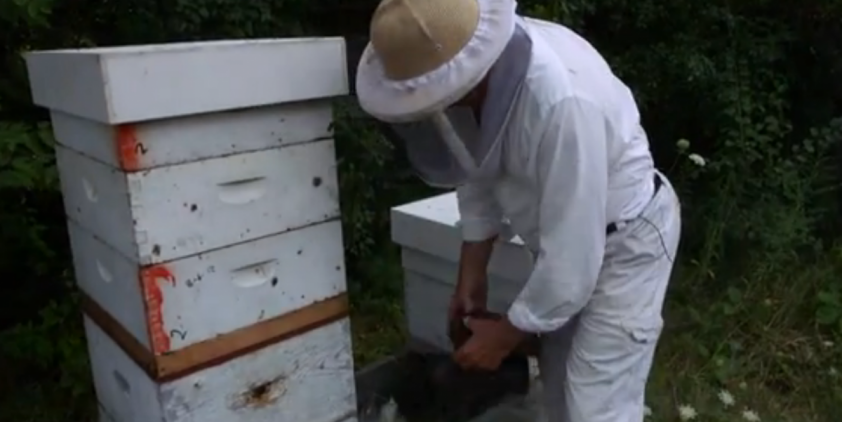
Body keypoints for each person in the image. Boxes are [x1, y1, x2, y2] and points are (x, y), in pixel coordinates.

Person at [355, 0, 682, 420]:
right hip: (567, 242)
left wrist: (505, 336)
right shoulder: (483, 74)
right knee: (560, 384)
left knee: (596, 404)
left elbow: (572, 258)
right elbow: (474, 165)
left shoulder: (562, 103)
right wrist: (470, 277)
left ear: (464, 72)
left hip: (626, 242)